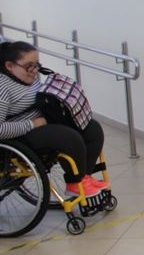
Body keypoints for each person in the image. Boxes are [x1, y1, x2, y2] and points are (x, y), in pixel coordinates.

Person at [0, 41, 108, 197]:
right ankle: (75, 183)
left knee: (92, 129)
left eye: (36, 65)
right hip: (19, 136)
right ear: (9, 66)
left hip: (42, 124)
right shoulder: (3, 88)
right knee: (69, 138)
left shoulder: (28, 78)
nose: (34, 71)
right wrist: (33, 124)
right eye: (29, 66)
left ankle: (84, 177)